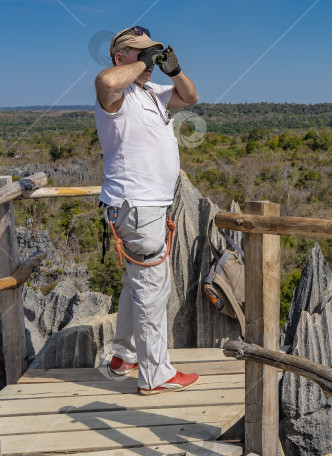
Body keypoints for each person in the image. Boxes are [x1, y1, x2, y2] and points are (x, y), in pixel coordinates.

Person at [94, 26, 199, 395]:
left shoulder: (151, 91)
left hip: (142, 207)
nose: (149, 61)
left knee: (134, 285)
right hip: (138, 207)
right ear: (120, 56)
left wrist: (174, 70)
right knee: (153, 289)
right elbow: (105, 80)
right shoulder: (116, 95)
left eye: (151, 54)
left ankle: (125, 355)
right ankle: (156, 375)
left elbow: (191, 97)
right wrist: (141, 65)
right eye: (139, 54)